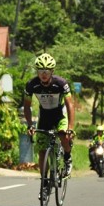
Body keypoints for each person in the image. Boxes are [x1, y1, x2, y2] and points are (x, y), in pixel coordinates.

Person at [24, 53, 75, 185]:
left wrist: (70, 127)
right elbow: (27, 106)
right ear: (37, 72)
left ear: (52, 71)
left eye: (46, 71)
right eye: (40, 71)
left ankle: (68, 158)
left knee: (64, 135)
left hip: (60, 115)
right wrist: (30, 125)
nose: (43, 74)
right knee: (42, 151)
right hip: (44, 116)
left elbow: (70, 105)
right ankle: (44, 181)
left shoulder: (61, 83)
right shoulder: (31, 85)